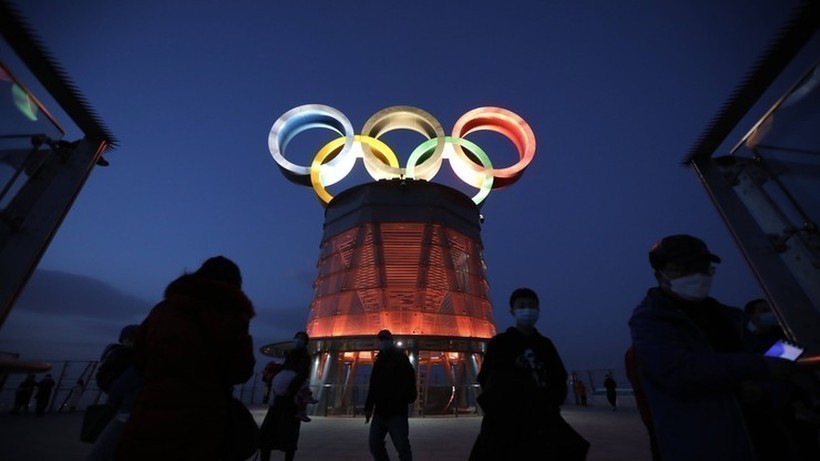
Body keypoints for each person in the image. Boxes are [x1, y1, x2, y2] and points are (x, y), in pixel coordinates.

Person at [629, 234, 817, 461]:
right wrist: (760, 367)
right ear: (660, 275)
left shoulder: (730, 317)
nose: (695, 274)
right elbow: (676, 371)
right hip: (708, 446)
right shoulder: (650, 320)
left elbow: (772, 358)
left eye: (702, 267)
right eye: (683, 268)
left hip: (764, 439)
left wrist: (794, 341)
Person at [115, 256, 256, 461]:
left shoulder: (163, 310)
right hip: (203, 419)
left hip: (151, 409)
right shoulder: (231, 317)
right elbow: (241, 371)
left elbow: (139, 357)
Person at [469, 288, 589, 460]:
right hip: (506, 422)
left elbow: (558, 377)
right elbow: (487, 379)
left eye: (532, 306)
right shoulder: (500, 343)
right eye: (522, 306)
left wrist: (549, 406)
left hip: (542, 421)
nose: (527, 310)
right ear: (512, 311)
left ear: (538, 310)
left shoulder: (545, 345)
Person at [86, 324, 141, 461]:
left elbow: (109, 383)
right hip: (127, 406)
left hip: (122, 406)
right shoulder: (135, 359)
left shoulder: (119, 355)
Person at [259, 331, 313, 461]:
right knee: (268, 434)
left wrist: (289, 390)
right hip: (279, 401)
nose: (298, 341)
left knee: (288, 436)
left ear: (305, 343)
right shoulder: (291, 356)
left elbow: (302, 375)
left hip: (290, 403)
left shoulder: (305, 358)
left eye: (301, 339)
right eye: (297, 338)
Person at [364, 329, 417, 461]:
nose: (382, 342)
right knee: (374, 444)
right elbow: (373, 385)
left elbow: (410, 379)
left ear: (391, 341)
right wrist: (368, 407)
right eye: (381, 340)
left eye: (385, 340)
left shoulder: (401, 359)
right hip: (380, 411)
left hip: (397, 411)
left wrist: (407, 398)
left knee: (402, 446)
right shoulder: (378, 362)